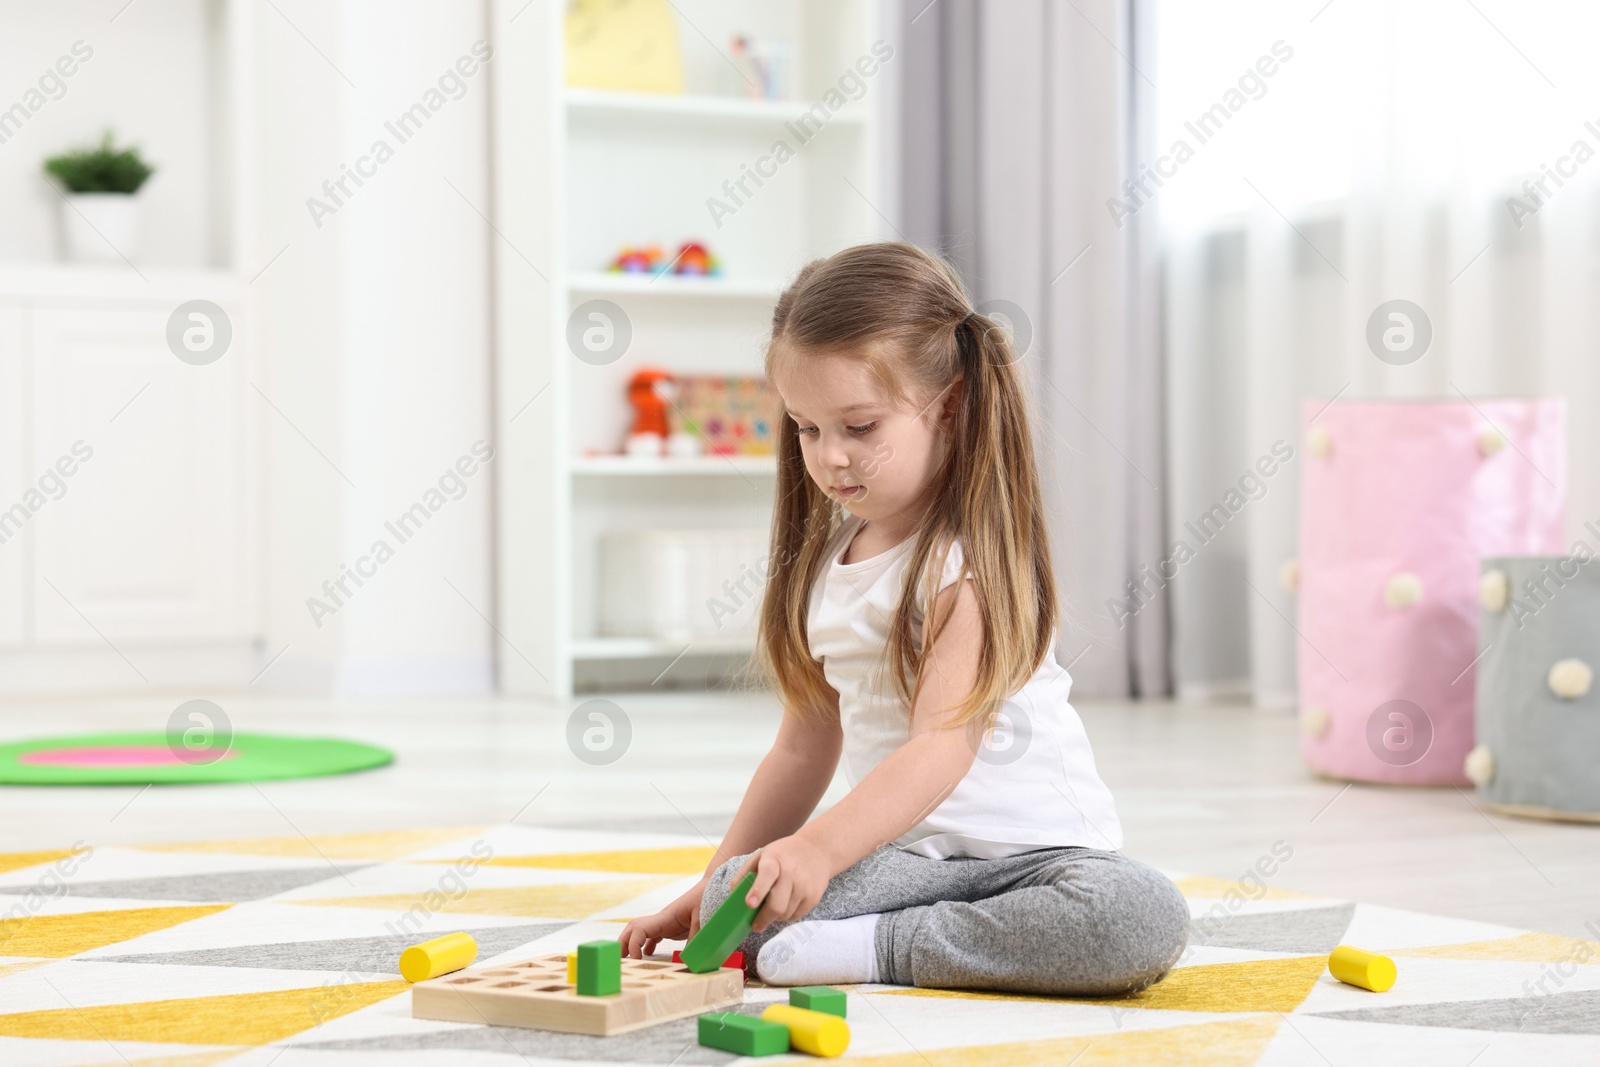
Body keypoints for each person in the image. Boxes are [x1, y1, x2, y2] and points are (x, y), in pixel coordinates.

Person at [620, 242, 1188, 994]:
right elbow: (799, 752)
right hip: (910, 865)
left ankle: (881, 949)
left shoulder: (969, 567)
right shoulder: (823, 570)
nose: (829, 457)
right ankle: (882, 937)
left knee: (1139, 918)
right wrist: (710, 894)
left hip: (1042, 862)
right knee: (741, 893)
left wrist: (819, 849)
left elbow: (939, 749)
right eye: (807, 427)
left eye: (859, 427)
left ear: (947, 406)